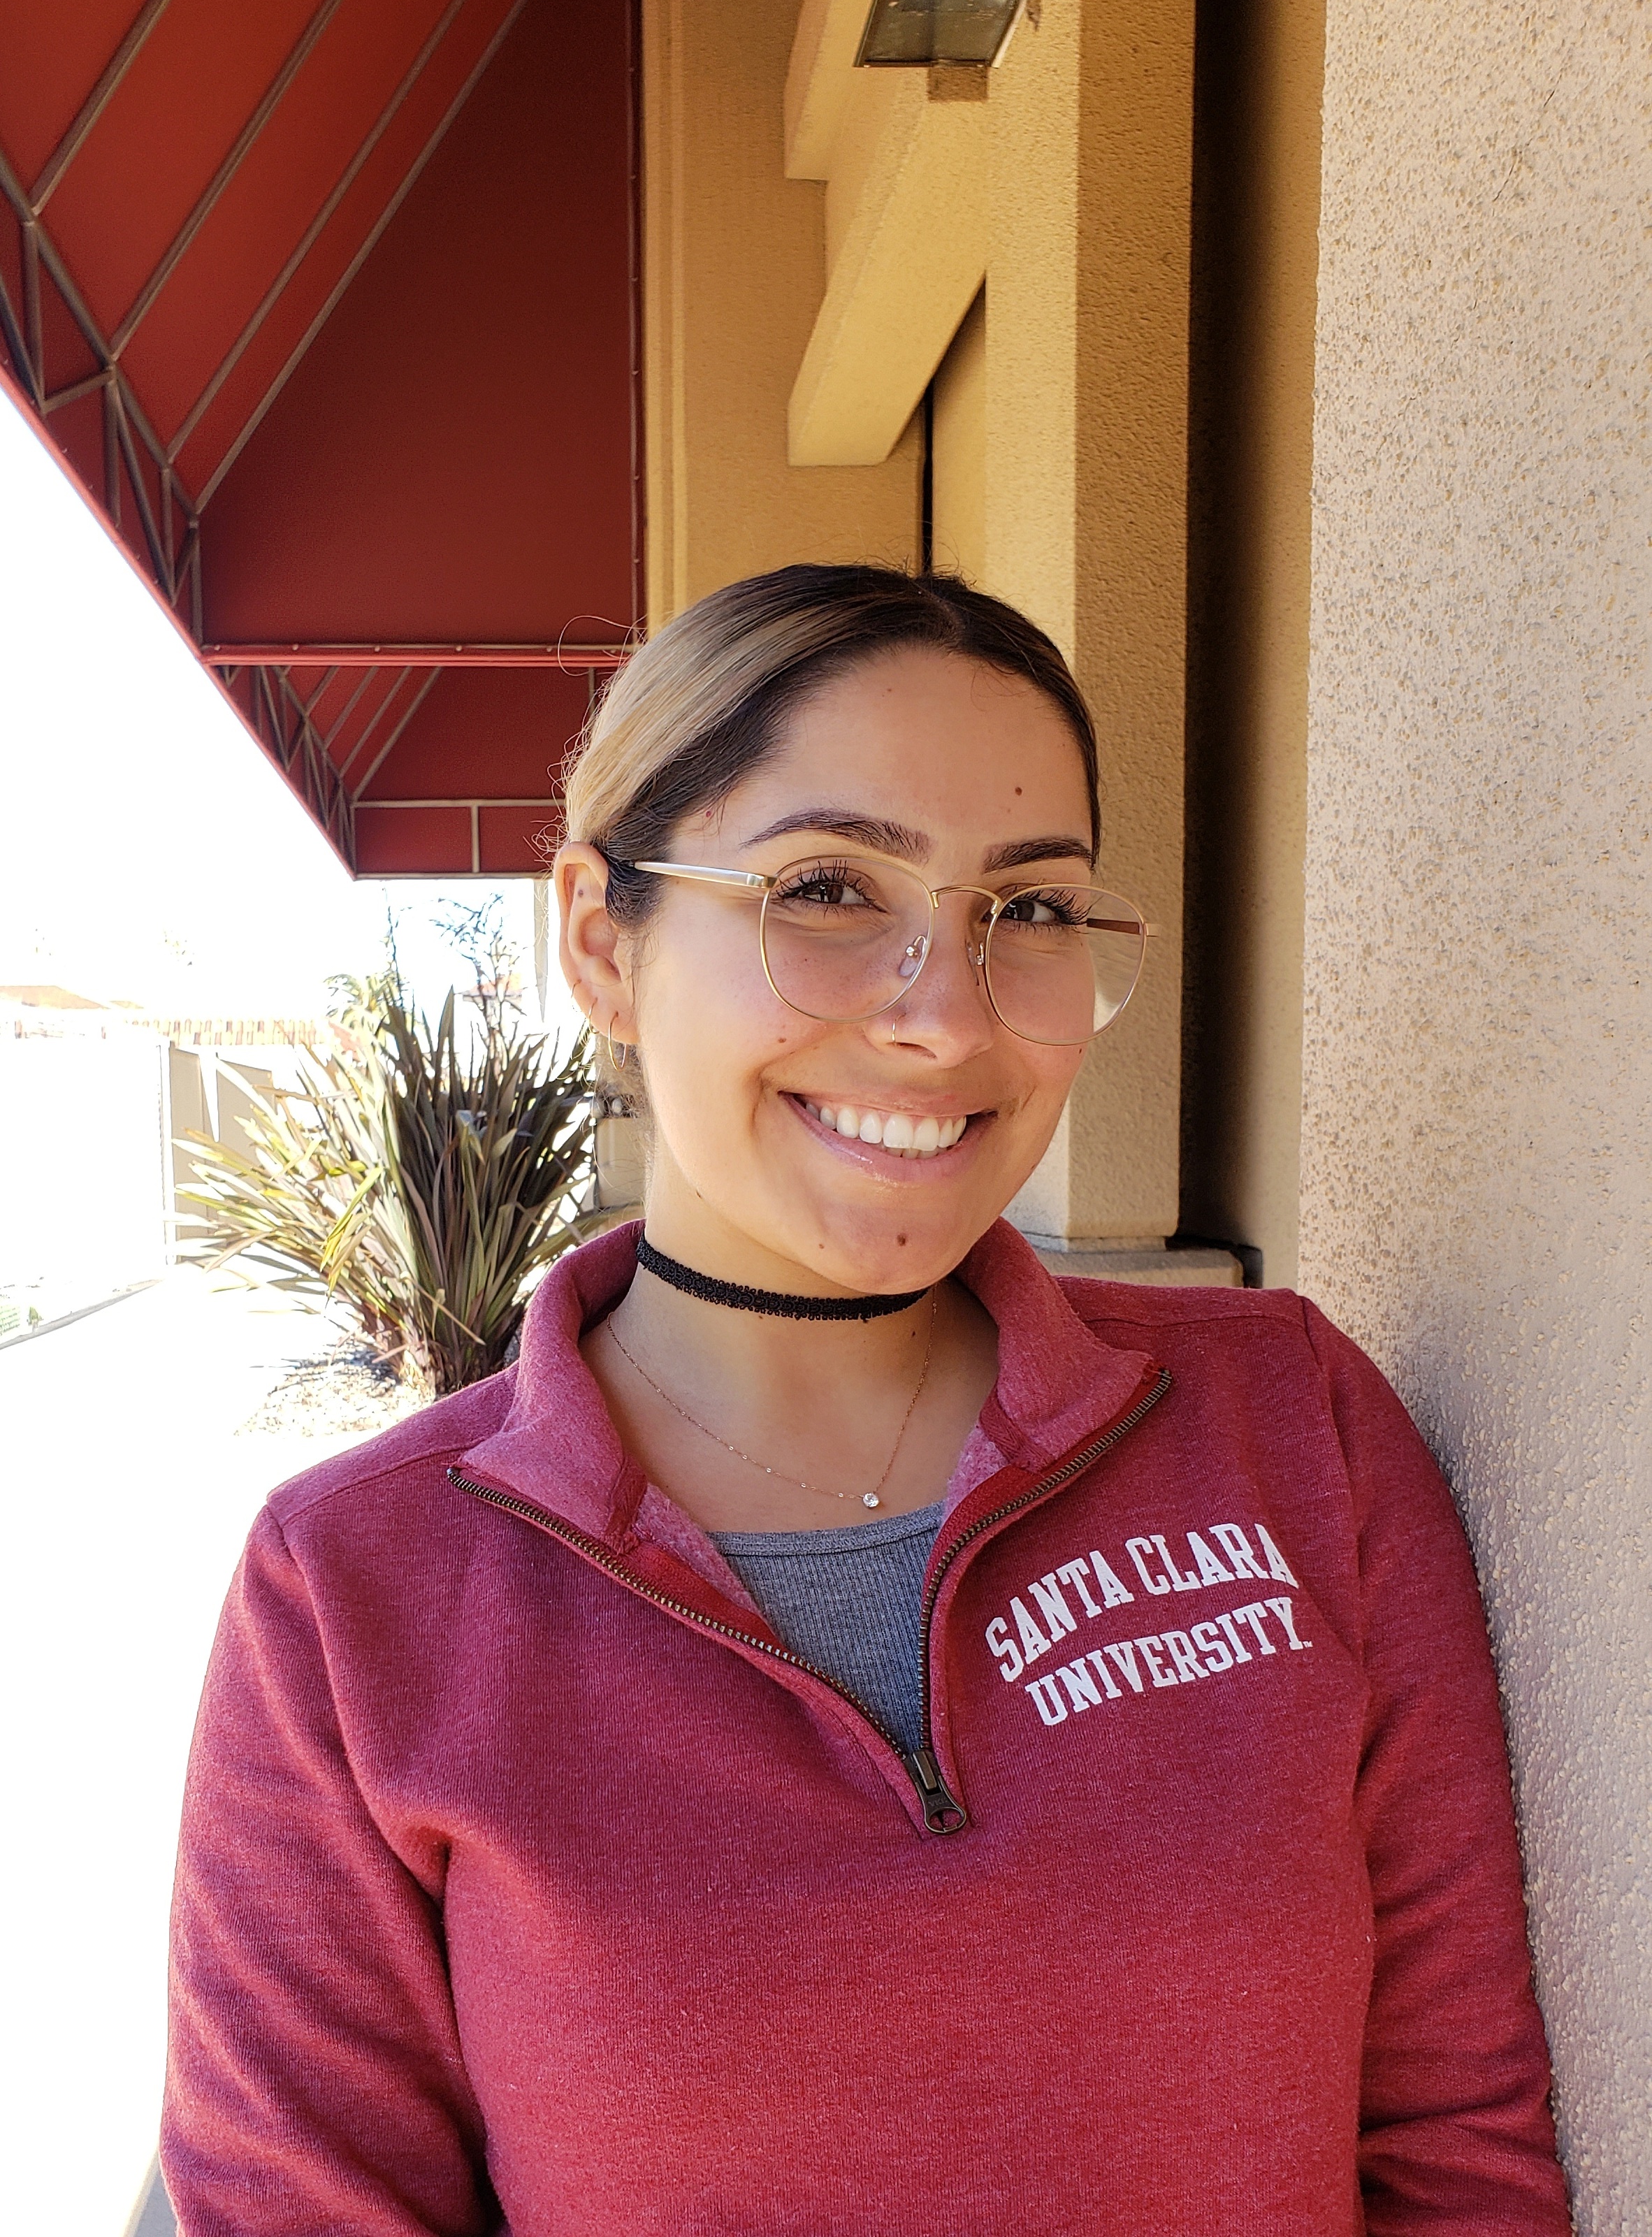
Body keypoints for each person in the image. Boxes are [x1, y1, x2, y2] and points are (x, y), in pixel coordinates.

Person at [163, 564, 1570, 2235]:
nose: (948, 1018)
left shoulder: (1290, 1429)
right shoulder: (355, 1596)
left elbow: (1461, 2149)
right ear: (604, 945)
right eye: (829, 888)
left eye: (1030, 910)